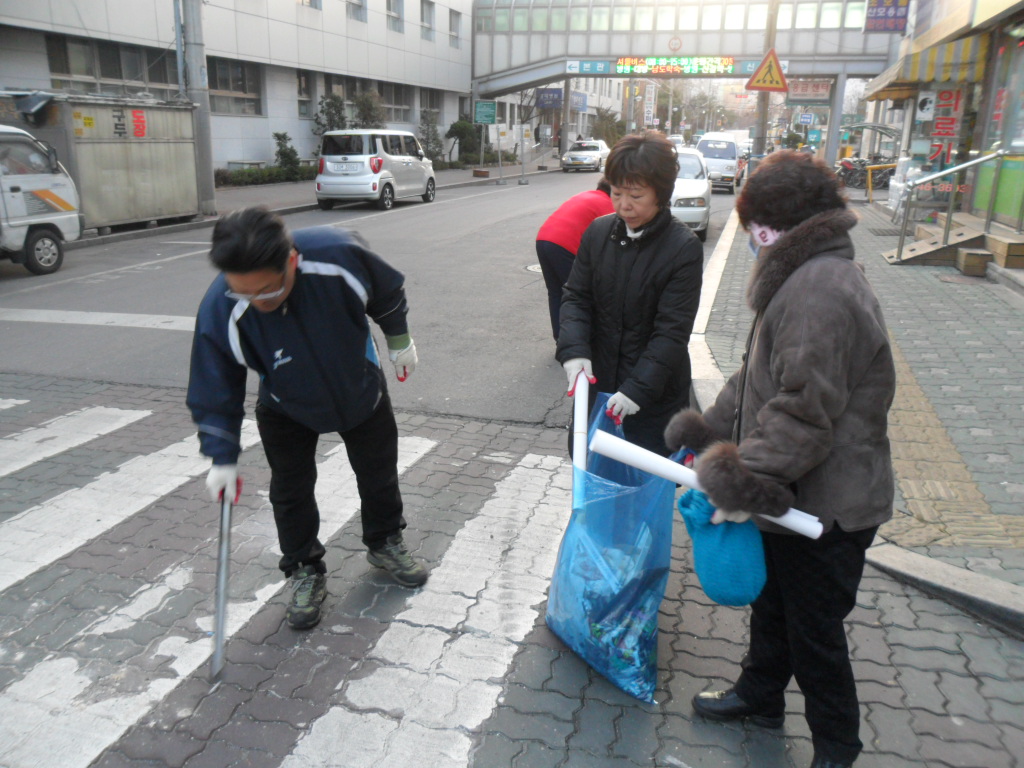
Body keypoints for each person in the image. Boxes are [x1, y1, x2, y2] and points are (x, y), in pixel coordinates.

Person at [664, 150, 896, 768]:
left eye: (751, 225)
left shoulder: (821, 289)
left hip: (831, 506)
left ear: (774, 226)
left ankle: (836, 749)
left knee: (814, 632)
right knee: (774, 607)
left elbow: (801, 410)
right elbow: (756, 378)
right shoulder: (801, 275)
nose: (747, 238)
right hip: (797, 495)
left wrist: (744, 481)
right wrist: (710, 429)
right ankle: (760, 696)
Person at [187, 207, 428, 631]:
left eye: (267, 290)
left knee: (378, 472)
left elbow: (386, 289)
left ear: (292, 262)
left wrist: (399, 338)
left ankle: (384, 540)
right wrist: (221, 456)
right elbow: (214, 385)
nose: (258, 303)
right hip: (285, 403)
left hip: (359, 388)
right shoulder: (221, 306)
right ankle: (303, 568)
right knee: (291, 490)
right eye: (245, 294)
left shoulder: (337, 255)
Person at [557, 132, 703, 456]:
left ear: (661, 194)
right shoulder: (598, 232)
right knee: (593, 486)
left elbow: (672, 332)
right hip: (599, 388)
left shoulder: (683, 248)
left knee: (643, 493)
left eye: (635, 195)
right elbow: (576, 296)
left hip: (651, 401)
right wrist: (574, 350)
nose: (624, 205)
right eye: (617, 192)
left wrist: (637, 391)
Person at [535, 179, 615, 341]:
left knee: (556, 291)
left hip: (543, 239)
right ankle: (577, 340)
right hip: (564, 245)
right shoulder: (608, 205)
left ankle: (560, 337)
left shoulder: (587, 195)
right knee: (578, 295)